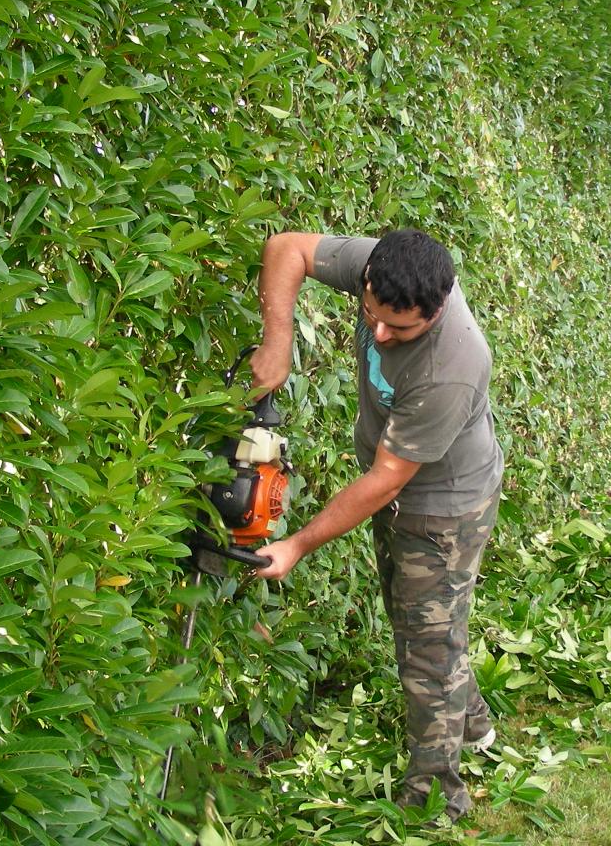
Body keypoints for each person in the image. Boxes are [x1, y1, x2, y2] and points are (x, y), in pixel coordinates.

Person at [249, 228, 504, 820]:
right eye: (372, 317)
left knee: (424, 648)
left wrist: (299, 543)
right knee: (418, 621)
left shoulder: (452, 365)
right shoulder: (383, 267)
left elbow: (387, 480)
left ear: (435, 312)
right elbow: (287, 247)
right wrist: (278, 341)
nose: (380, 334)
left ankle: (435, 797)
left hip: (445, 506)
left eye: (401, 329)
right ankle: (473, 724)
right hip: (397, 492)